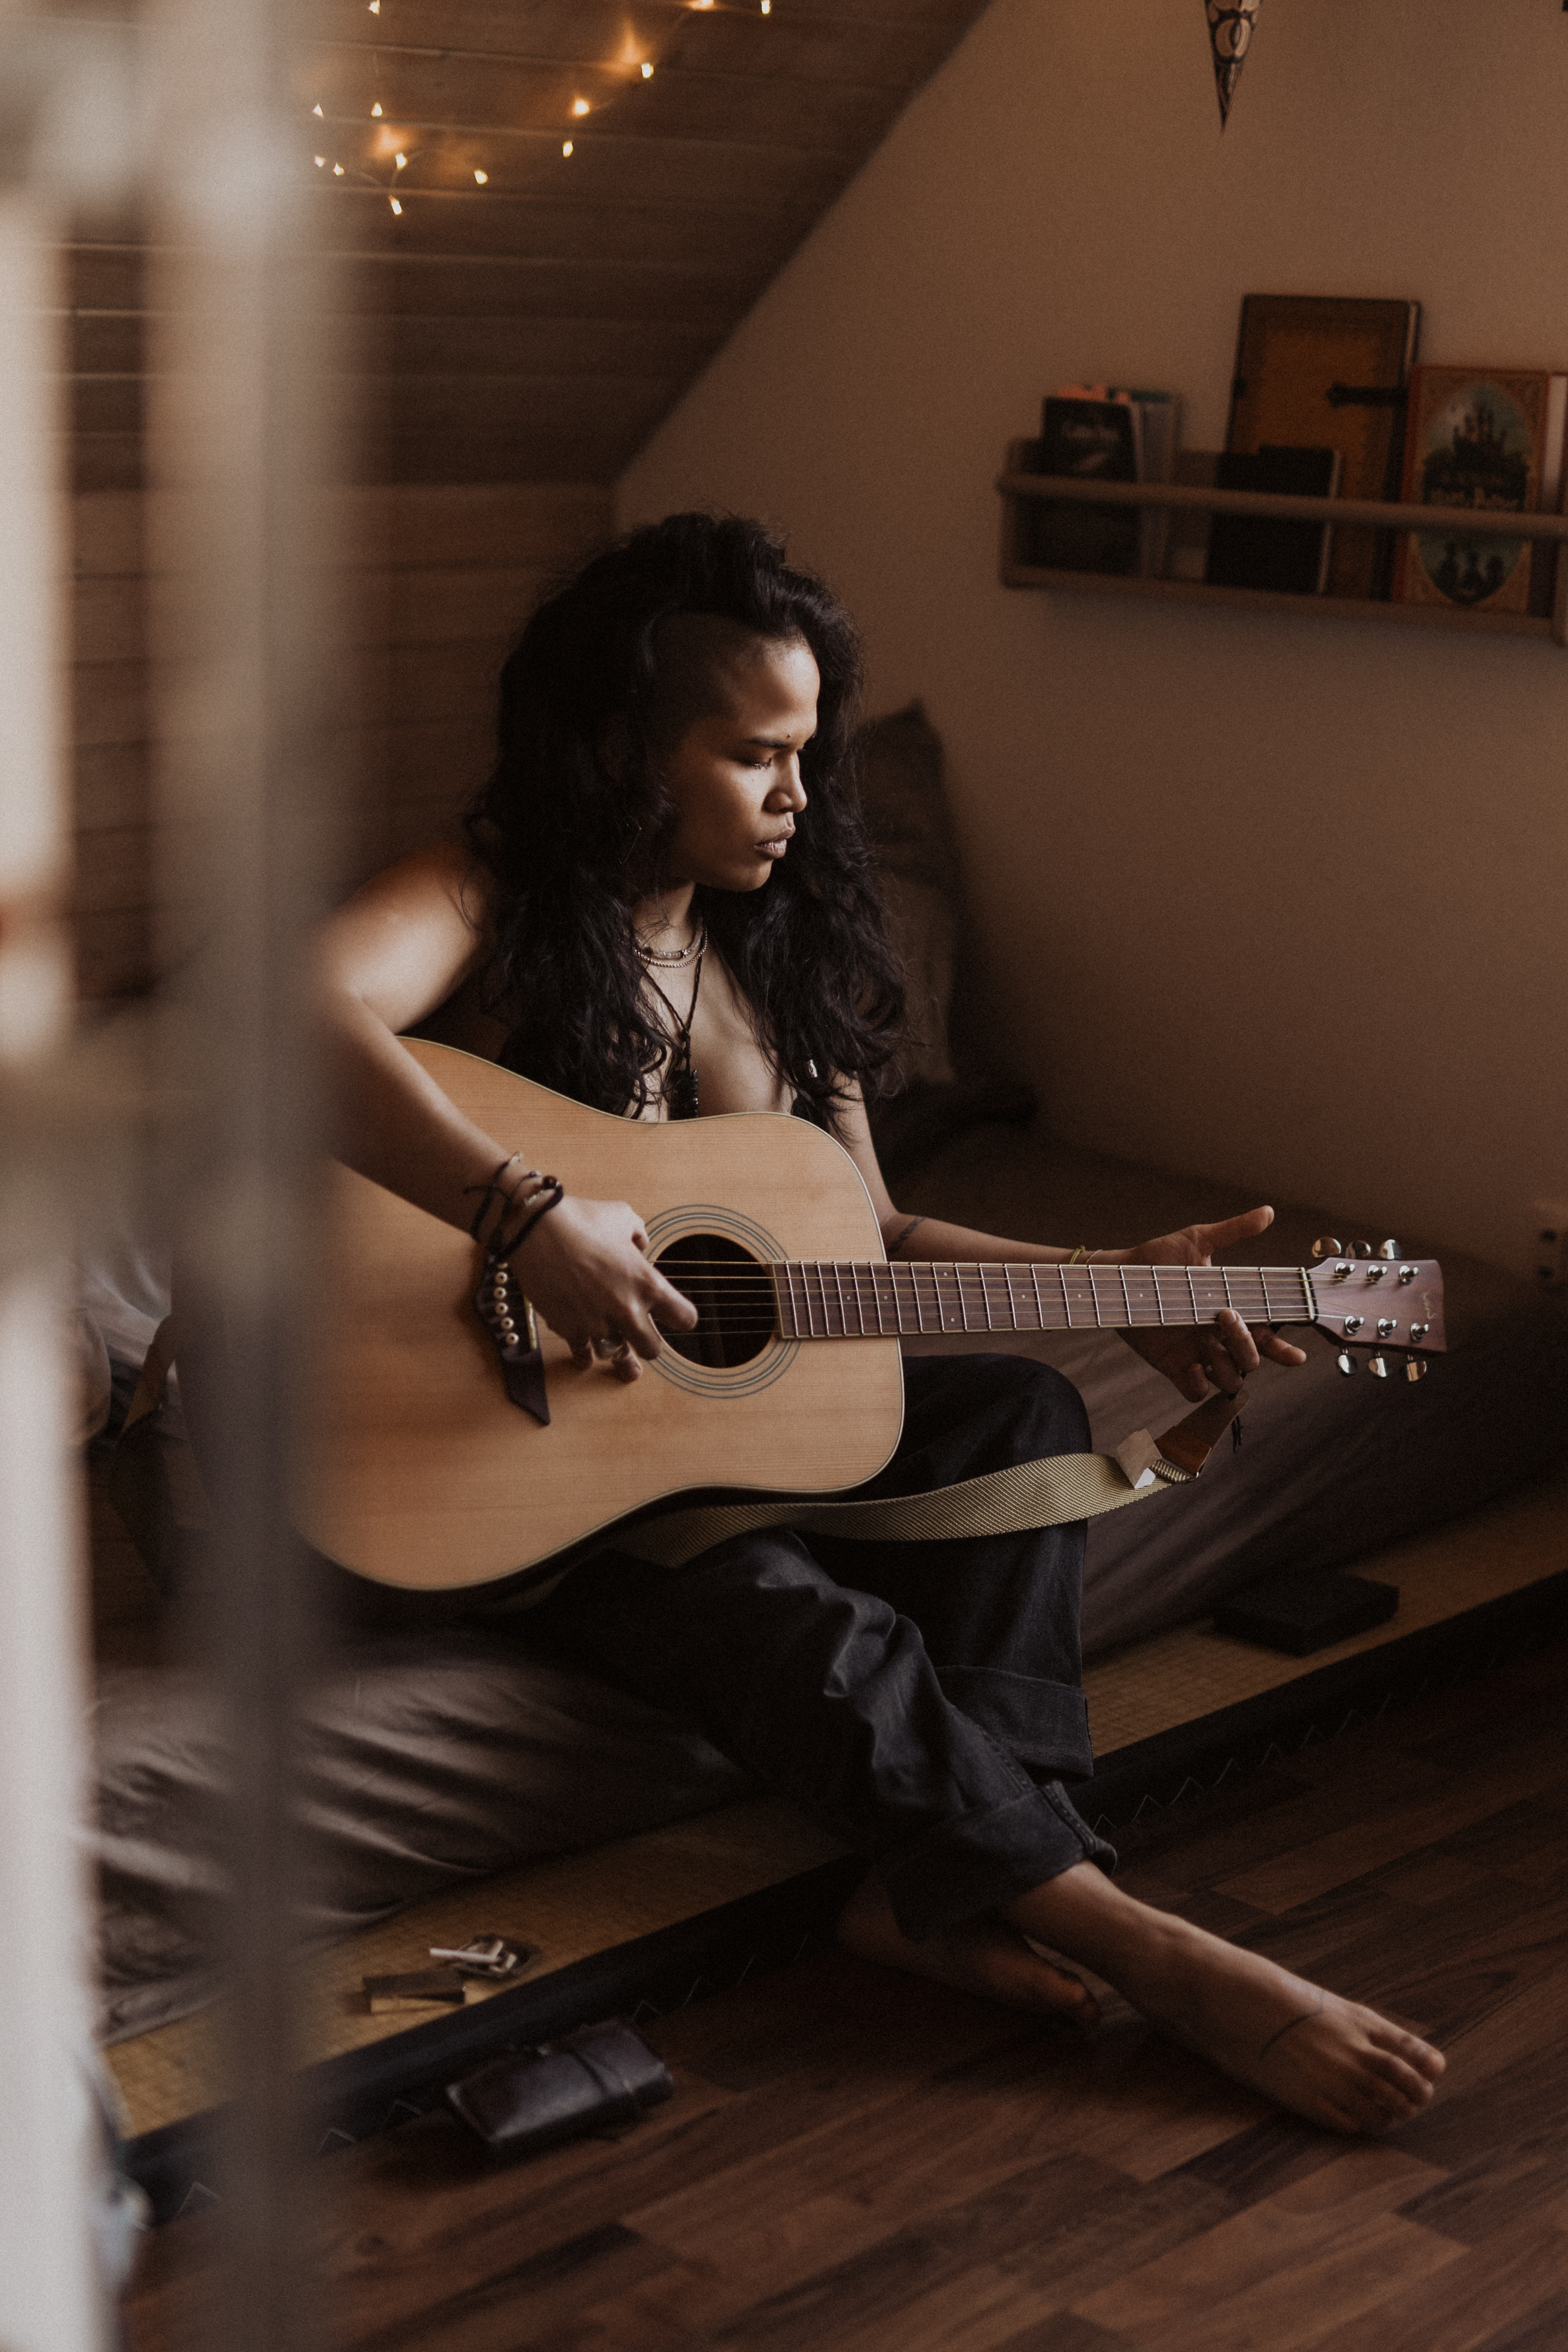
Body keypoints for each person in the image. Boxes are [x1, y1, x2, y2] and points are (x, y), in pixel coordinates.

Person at [312, 513, 1445, 2136]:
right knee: (779, 1603)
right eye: (754, 753)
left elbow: (869, 1236)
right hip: (477, 1455)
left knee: (1022, 1417)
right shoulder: (485, 892)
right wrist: (522, 1212)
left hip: (666, 1447)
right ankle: (1149, 1945)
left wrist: (1124, 1286)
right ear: (625, 747)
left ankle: (939, 1886)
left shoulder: (771, 949)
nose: (796, 795)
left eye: (807, 754)